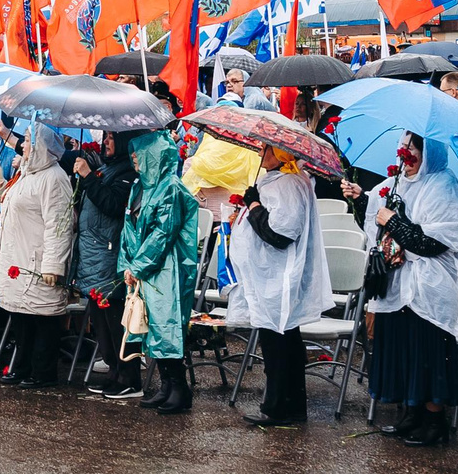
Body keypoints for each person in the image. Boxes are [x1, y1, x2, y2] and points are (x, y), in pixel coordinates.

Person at [364, 135, 458, 446]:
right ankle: (411, 410)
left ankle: (434, 419)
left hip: (433, 286)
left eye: (417, 147)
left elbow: (431, 243)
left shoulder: (444, 186)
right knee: (403, 348)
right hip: (399, 283)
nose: (409, 153)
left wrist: (394, 221)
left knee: (427, 350)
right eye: (407, 146)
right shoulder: (395, 183)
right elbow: (376, 229)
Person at [218, 143, 329, 428]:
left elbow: (280, 233)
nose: (260, 153)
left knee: (281, 343)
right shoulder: (275, 181)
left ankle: (282, 408)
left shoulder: (290, 184)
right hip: (266, 278)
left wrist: (254, 206)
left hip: (278, 278)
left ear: (281, 153)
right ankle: (280, 405)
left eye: (267, 149)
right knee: (276, 341)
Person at [117, 125, 205, 414]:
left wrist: (138, 266)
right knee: (153, 327)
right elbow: (129, 228)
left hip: (167, 269)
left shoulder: (172, 189)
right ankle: (167, 385)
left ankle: (179, 388)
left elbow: (163, 233)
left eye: (140, 155)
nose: (134, 160)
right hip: (146, 269)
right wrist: (128, 265)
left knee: (167, 327)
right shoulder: (139, 187)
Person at [0, 126, 80, 388]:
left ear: (42, 145)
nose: (23, 145)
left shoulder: (54, 178)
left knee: (42, 318)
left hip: (38, 259)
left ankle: (43, 371)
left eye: (28, 140)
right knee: (21, 316)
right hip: (18, 254)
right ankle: (22, 365)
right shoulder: (26, 173)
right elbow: (11, 203)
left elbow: (59, 225)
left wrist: (54, 265)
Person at [74, 135, 136, 397]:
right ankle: (113, 372)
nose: (106, 142)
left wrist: (89, 177)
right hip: (92, 254)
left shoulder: (127, 173)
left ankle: (129, 377)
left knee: (115, 320)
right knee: (100, 321)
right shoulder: (104, 168)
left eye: (112, 138)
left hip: (108, 254)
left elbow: (112, 206)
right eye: (106, 137)